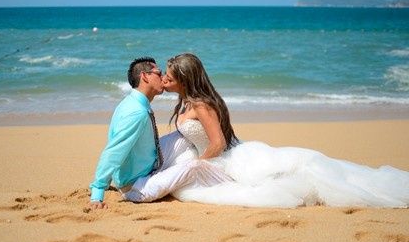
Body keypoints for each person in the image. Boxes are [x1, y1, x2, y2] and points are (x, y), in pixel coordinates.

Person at [159, 53, 409, 208]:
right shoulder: (187, 101)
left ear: (186, 80)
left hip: (226, 159)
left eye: (169, 78)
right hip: (224, 156)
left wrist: (196, 165)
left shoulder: (202, 105)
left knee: (295, 175)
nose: (165, 81)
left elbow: (218, 143)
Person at [89, 57, 230, 209]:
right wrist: (98, 192)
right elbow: (113, 152)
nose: (163, 78)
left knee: (183, 135)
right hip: (137, 186)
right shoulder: (136, 112)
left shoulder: (134, 102)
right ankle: (231, 181)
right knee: (193, 167)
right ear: (145, 76)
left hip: (147, 166)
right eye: (158, 73)